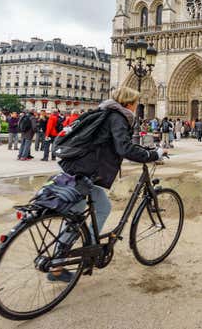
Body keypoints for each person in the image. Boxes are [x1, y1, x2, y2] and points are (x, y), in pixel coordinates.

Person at [54, 87, 163, 283]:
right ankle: (60, 261)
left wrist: (140, 149)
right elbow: (124, 147)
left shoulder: (104, 112)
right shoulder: (118, 117)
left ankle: (87, 248)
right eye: (136, 103)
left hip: (78, 166)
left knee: (98, 207)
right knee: (78, 214)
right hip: (86, 171)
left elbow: (118, 143)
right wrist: (152, 155)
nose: (137, 106)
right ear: (129, 103)